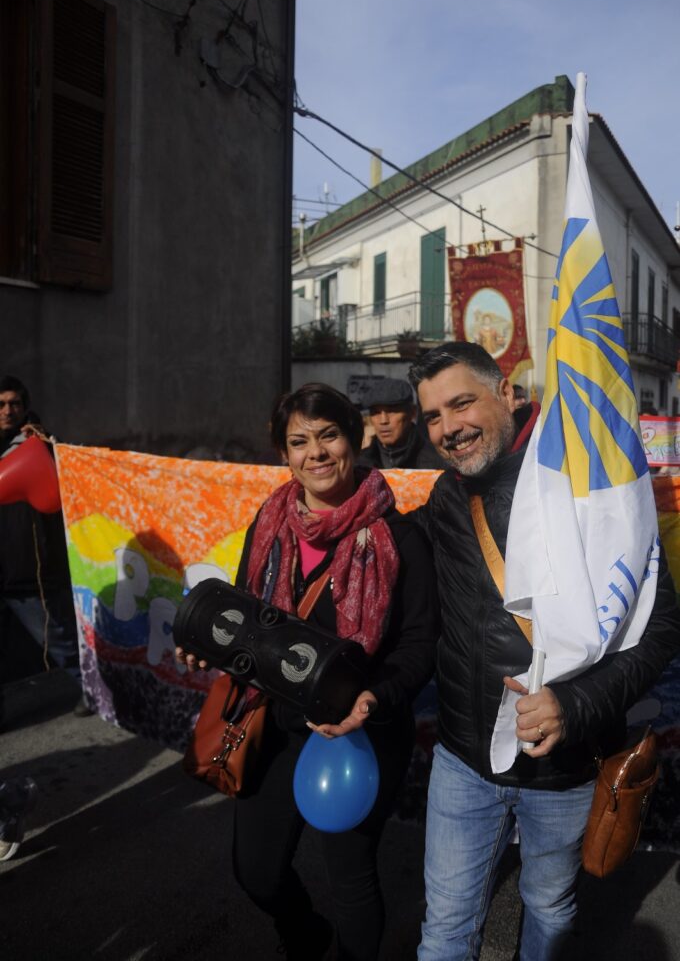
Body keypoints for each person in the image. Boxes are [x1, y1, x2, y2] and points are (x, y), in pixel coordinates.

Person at [406, 343, 680, 961]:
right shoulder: (448, 500)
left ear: (505, 393)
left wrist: (575, 705)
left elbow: (659, 626)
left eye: (461, 403)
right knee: (443, 932)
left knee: (550, 911)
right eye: (433, 417)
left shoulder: (589, 488)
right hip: (462, 765)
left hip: (564, 772)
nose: (449, 429)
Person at [176, 382, 439, 961]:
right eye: (299, 442)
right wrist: (210, 650)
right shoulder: (268, 522)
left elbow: (420, 644)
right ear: (284, 454)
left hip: (358, 727)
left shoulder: (401, 537)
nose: (316, 453)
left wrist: (373, 697)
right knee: (257, 872)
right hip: (274, 719)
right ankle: (305, 936)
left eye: (328, 436)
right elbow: (250, 621)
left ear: (353, 439)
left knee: (351, 878)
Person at [0, 376, 92, 724]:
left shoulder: (37, 442)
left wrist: (48, 445)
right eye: (1, 404)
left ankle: (96, 691)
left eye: (14, 404)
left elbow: (65, 479)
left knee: (61, 642)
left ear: (24, 407)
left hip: (27, 571)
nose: (8, 411)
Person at [357, 377, 444, 470]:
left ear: (412, 413)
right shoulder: (359, 464)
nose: (383, 421)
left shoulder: (437, 462)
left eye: (392, 411)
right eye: (376, 412)